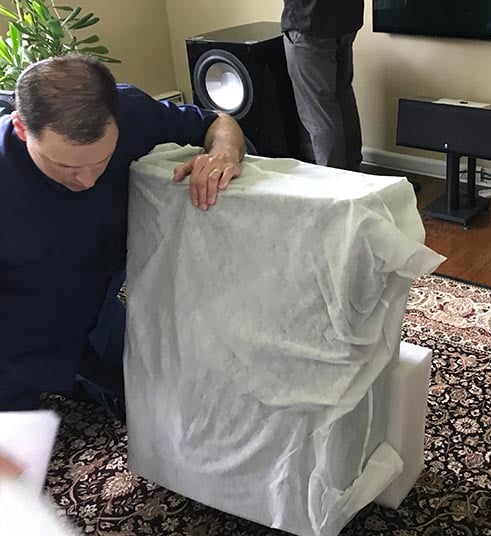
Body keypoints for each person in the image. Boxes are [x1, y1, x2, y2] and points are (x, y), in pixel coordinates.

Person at [0, 54, 246, 416]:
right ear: (22, 129)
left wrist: (224, 153)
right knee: (18, 444)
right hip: (15, 332)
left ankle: (77, 381)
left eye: (100, 161)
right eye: (66, 166)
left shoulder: (129, 110)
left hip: (97, 306)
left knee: (173, 402)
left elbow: (218, 122)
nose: (87, 180)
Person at [281, 0, 364, 172]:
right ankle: (353, 172)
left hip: (308, 21)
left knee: (319, 110)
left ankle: (332, 178)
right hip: (347, 18)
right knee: (342, 96)